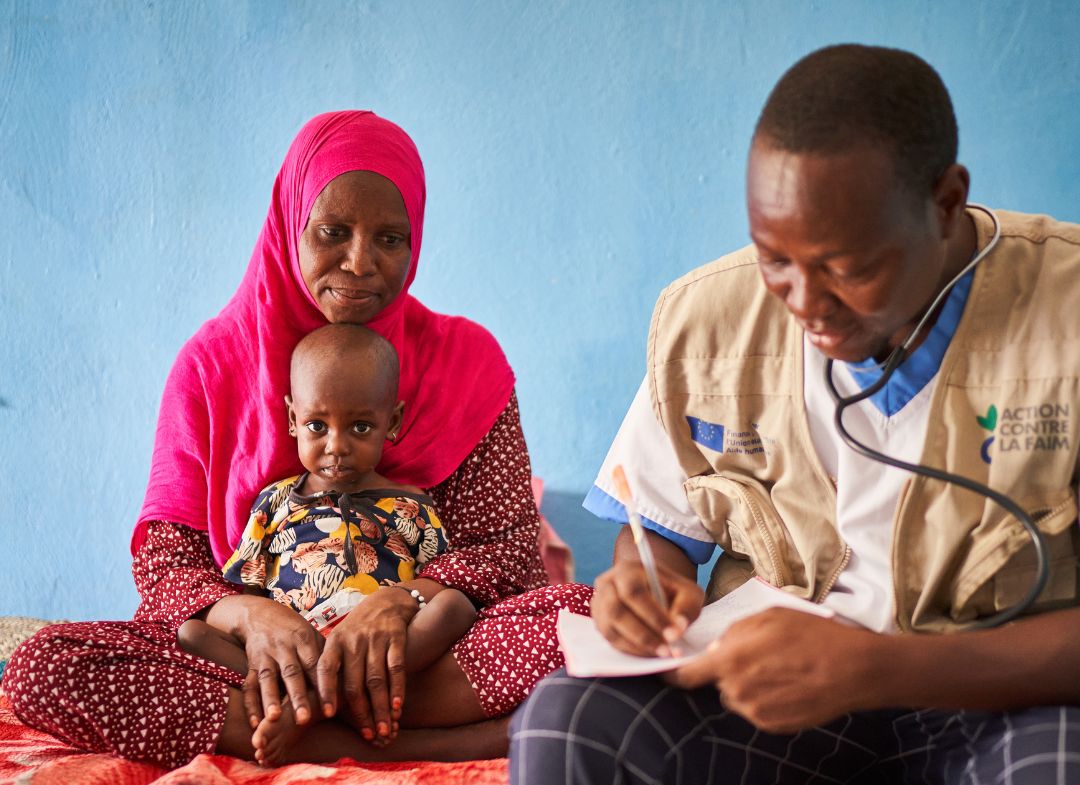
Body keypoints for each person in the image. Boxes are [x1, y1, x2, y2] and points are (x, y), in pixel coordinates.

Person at [510, 44, 1080, 784]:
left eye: (850, 267)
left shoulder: (1066, 315)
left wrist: (882, 668)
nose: (805, 305)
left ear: (945, 204)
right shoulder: (707, 324)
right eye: (774, 257)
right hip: (780, 700)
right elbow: (654, 542)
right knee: (568, 721)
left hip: (995, 697)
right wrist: (645, 591)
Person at [4, 111, 592, 769]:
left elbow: (507, 554)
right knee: (44, 665)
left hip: (415, 655)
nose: (361, 262)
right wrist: (254, 621)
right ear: (291, 225)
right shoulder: (210, 368)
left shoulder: (467, 362)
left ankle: (308, 724)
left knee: (589, 616)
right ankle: (417, 739)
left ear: (416, 239)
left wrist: (400, 604)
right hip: (261, 662)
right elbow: (168, 565)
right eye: (332, 232)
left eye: (390, 238)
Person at [178, 323, 478, 764]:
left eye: (360, 427)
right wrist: (266, 633)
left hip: (381, 651)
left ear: (391, 422)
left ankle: (317, 703)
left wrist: (408, 605)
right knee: (192, 632)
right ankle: (313, 695)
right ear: (292, 420)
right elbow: (247, 593)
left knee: (456, 607)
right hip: (295, 652)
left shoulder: (413, 505)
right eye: (318, 425)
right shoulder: (273, 502)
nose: (336, 446)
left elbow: (434, 587)